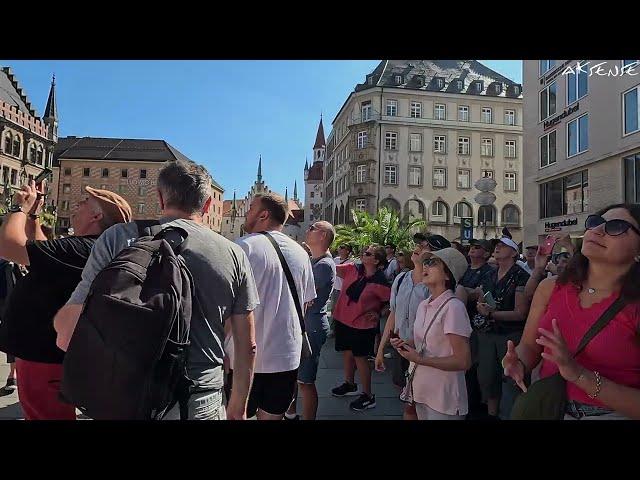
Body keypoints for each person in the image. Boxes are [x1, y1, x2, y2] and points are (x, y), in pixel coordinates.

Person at [54, 161, 258, 421]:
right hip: (198, 400)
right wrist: (237, 410)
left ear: (160, 198)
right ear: (207, 205)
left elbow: (66, 333)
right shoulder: (233, 254)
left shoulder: (118, 238)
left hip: (124, 396)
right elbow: (246, 346)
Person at [0, 181, 131, 419]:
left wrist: (18, 208)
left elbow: (9, 246)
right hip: (51, 353)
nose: (76, 206)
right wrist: (34, 216)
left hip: (42, 354)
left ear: (96, 215)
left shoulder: (81, 248)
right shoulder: (93, 249)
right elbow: (42, 250)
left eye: (84, 203)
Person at [504, 204, 640, 420]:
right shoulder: (550, 288)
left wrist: (578, 374)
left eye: (616, 226)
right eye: (595, 222)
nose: (597, 230)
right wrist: (516, 362)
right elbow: (530, 346)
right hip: (549, 407)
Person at [233, 192, 316, 420]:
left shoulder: (242, 247)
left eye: (250, 208)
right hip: (286, 356)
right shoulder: (301, 253)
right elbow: (306, 304)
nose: (247, 212)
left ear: (264, 214)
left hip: (242, 359)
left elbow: (227, 307)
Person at [391, 247, 472, 420]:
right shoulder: (424, 304)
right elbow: (424, 341)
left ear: (447, 275)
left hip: (444, 398)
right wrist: (405, 343)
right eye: (425, 262)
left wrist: (419, 359)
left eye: (433, 263)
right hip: (422, 390)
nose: (425, 267)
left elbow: (463, 360)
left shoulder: (453, 307)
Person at [375, 233, 448, 420]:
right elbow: (393, 313)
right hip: (402, 350)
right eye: (420, 244)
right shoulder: (401, 279)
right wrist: (381, 349)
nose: (419, 247)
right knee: (406, 400)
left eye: (427, 246)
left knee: (419, 405)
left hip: (425, 353)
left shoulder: (435, 286)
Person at [475, 236, 530, 419]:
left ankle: (511, 415)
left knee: (512, 380)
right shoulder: (489, 274)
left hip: (510, 336)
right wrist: (481, 307)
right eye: (496, 246)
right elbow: (481, 298)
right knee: (488, 378)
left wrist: (491, 314)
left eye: (502, 246)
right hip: (489, 333)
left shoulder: (521, 276)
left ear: (514, 252)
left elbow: (520, 313)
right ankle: (492, 415)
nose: (497, 248)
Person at [286, 221, 336, 420]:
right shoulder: (315, 260)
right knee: (296, 376)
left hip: (312, 327)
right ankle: (290, 413)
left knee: (306, 382)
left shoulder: (324, 265)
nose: (307, 230)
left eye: (313, 228)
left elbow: (303, 294)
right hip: (305, 325)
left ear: (323, 235)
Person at [331, 244, 390, 411]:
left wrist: (379, 314)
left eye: (368, 253)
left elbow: (390, 303)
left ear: (376, 260)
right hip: (344, 319)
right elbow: (332, 267)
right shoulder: (352, 268)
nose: (364, 254)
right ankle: (349, 384)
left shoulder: (380, 281)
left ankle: (368, 395)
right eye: (364, 251)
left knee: (361, 358)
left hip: (362, 325)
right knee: (347, 353)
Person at [455, 239, 495, 419]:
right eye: (472, 246)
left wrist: (465, 291)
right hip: (462, 324)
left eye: (478, 247)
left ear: (486, 254)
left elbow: (482, 294)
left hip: (476, 324)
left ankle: (475, 406)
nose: (472, 249)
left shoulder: (489, 271)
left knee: (473, 366)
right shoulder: (465, 270)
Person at [329, 244, 353, 336]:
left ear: (347, 251)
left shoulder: (351, 262)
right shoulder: (335, 260)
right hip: (335, 289)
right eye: (340, 247)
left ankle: (343, 330)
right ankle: (333, 329)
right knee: (333, 309)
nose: (340, 249)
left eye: (343, 248)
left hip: (345, 290)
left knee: (344, 310)